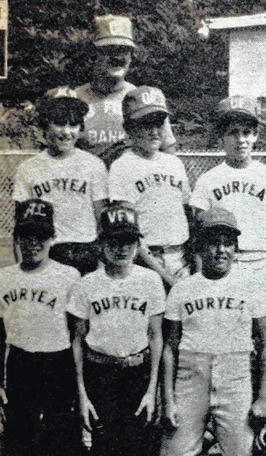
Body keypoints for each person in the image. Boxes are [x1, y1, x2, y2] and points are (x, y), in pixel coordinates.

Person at [160, 207, 266, 456]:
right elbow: (170, 346)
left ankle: (213, 444)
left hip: (235, 375)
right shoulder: (182, 288)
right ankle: (206, 440)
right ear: (200, 246)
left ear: (235, 248)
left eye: (228, 243)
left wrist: (264, 398)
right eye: (213, 243)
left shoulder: (251, 286)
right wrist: (168, 399)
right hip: (191, 374)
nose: (221, 250)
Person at [67, 203, 165, 456]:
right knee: (105, 452)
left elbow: (156, 337)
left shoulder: (150, 280)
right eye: (113, 241)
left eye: (128, 241)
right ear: (100, 244)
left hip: (138, 372)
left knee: (140, 453)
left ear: (137, 245)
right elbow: (77, 341)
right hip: (101, 374)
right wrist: (83, 393)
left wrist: (151, 390)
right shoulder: (86, 284)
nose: (121, 248)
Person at [190, 96, 266, 308]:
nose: (241, 140)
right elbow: (198, 237)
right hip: (220, 262)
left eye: (246, 132)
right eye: (232, 133)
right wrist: (200, 281)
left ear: (255, 136)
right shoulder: (208, 180)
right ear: (221, 137)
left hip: (259, 263)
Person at [0, 199, 81, 456]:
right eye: (26, 235)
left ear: (52, 238)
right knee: (18, 443)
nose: (33, 243)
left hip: (58, 359)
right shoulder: (5, 277)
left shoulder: (68, 275)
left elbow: (77, 330)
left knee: (61, 444)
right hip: (20, 360)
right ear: (16, 238)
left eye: (41, 236)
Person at [13, 86, 108, 275]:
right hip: (47, 253)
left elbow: (101, 220)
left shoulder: (93, 165)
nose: (66, 132)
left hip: (85, 252)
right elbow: (19, 229)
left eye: (73, 124)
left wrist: (101, 265)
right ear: (44, 126)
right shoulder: (28, 168)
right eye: (58, 123)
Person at [108, 86, 191, 288]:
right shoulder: (122, 166)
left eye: (159, 123)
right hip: (145, 260)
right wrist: (164, 275)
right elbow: (128, 232)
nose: (154, 132)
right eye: (145, 125)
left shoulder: (174, 163)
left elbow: (187, 213)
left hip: (181, 260)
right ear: (129, 128)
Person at [75, 14, 177, 168]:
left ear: (131, 56)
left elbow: (169, 157)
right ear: (93, 54)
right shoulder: (75, 99)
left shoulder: (144, 100)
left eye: (124, 50)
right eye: (110, 50)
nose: (118, 57)